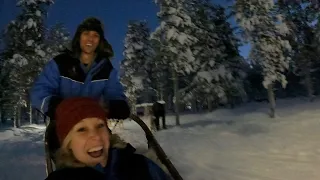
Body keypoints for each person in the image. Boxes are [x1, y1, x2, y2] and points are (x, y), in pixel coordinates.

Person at [45, 97, 170, 180]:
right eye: (81, 129)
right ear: (68, 144)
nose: (96, 135)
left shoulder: (142, 166)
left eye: (100, 126)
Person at [30, 17, 130, 121]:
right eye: (86, 33)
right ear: (79, 37)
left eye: (95, 35)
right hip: (63, 123)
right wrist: (60, 107)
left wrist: (115, 106)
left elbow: (115, 94)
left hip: (93, 124)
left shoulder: (106, 68)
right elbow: (39, 94)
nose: (90, 39)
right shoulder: (61, 63)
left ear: (100, 41)